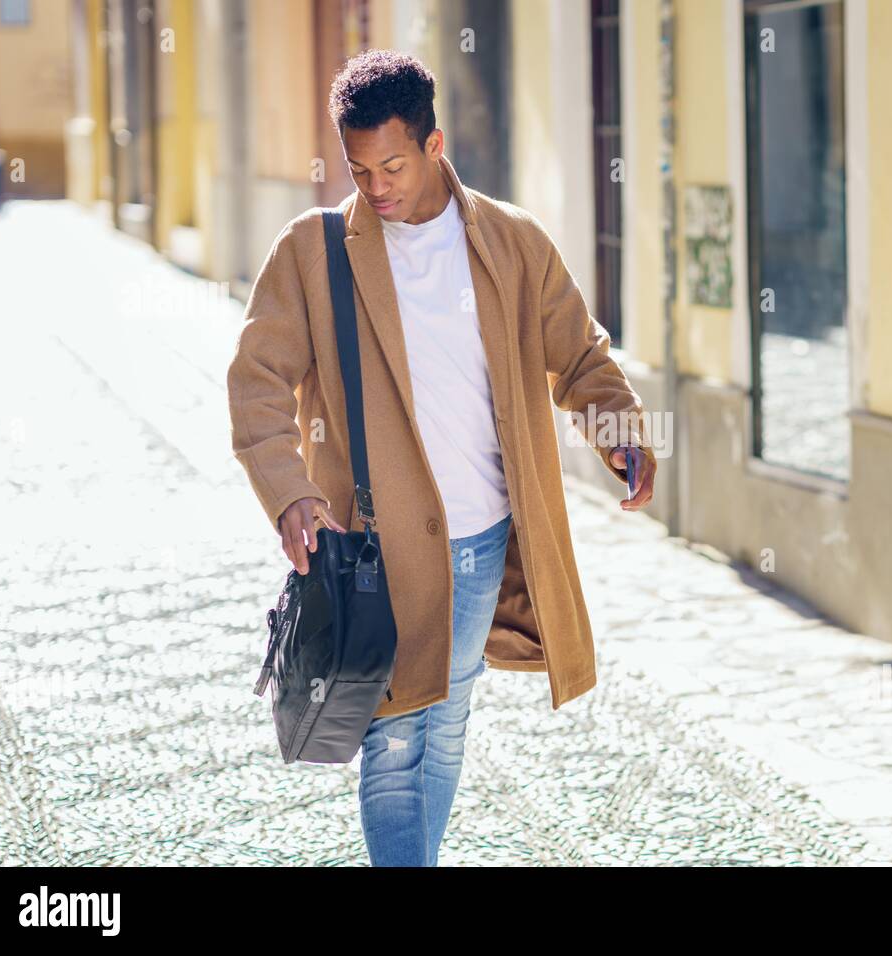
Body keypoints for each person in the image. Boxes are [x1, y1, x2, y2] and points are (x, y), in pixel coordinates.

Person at [227, 49, 655, 866]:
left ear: (435, 144)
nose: (376, 186)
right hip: (378, 549)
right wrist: (288, 491)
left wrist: (622, 432)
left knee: (446, 721)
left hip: (482, 539)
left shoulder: (511, 242)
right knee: (393, 742)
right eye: (358, 169)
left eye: (392, 164)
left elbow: (580, 355)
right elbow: (257, 381)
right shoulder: (312, 253)